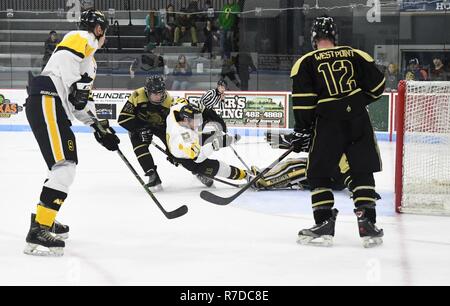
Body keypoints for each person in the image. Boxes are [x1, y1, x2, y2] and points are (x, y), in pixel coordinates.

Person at [24, 9, 119, 256]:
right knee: (64, 166)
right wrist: (77, 88)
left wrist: (98, 126)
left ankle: (44, 218)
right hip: (48, 99)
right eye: (104, 30)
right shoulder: (81, 37)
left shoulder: (90, 61)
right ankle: (39, 229)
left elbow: (80, 103)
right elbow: (71, 76)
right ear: (99, 29)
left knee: (60, 167)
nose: (104, 35)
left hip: (55, 105)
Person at [289, 16, 385, 248]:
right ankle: (368, 223)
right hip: (358, 119)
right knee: (361, 168)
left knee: (318, 172)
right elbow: (379, 85)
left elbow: (304, 102)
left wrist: (303, 129)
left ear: (314, 38)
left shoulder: (305, 62)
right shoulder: (356, 55)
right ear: (335, 37)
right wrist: (355, 102)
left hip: (327, 121)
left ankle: (323, 224)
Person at [166, 100, 249, 187]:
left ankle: (221, 140)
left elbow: (178, 102)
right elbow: (197, 158)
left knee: (213, 135)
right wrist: (215, 145)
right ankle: (245, 175)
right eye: (196, 120)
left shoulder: (174, 112)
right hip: (189, 161)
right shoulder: (183, 138)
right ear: (186, 120)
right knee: (219, 167)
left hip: (190, 143)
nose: (199, 123)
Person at [118, 75, 174, 192]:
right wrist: (140, 129)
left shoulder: (169, 100)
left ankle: (197, 170)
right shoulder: (137, 95)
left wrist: (172, 151)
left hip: (160, 126)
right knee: (139, 147)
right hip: (139, 124)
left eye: (161, 93)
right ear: (147, 92)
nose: (159, 97)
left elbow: (172, 125)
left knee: (176, 147)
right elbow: (123, 119)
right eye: (155, 94)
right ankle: (152, 175)